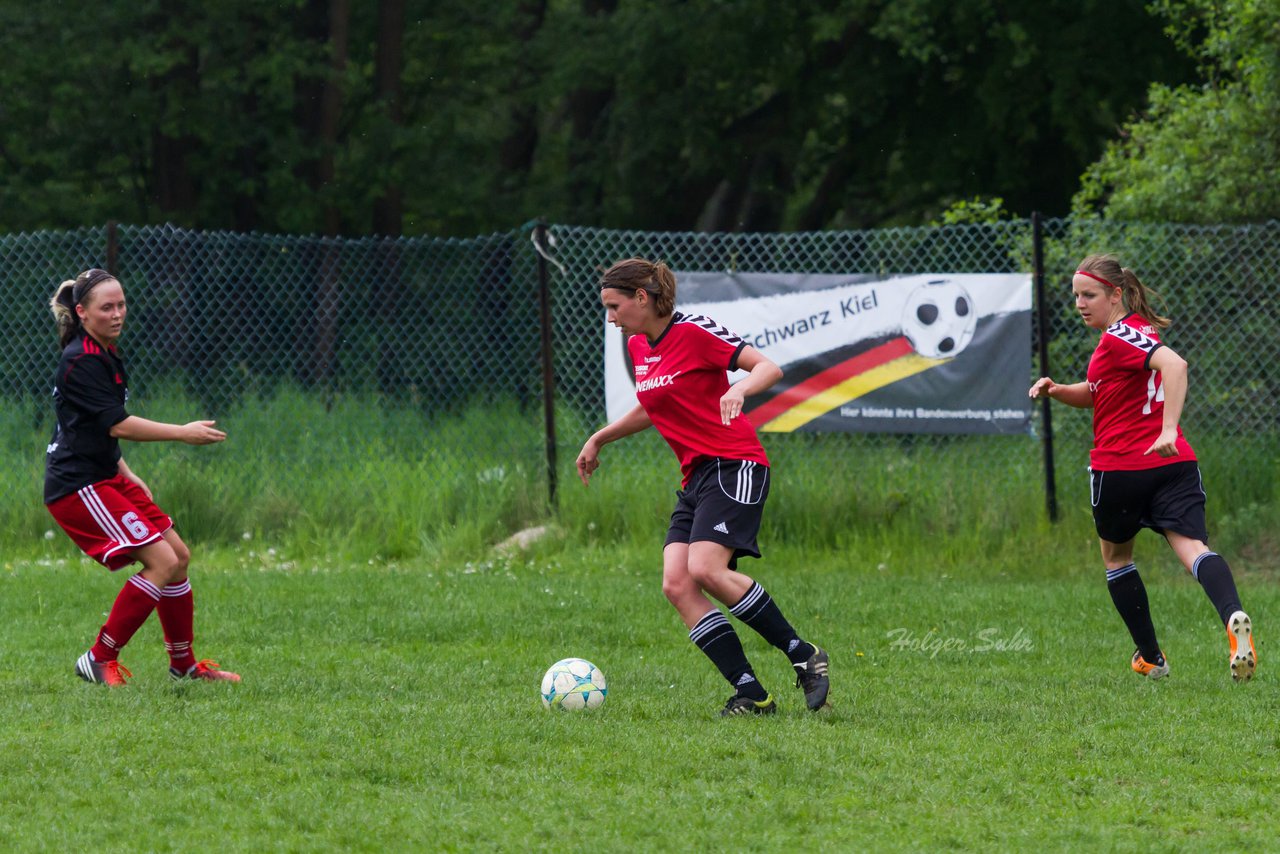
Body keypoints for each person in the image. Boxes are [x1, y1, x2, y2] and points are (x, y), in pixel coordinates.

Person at [576, 258, 829, 716]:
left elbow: (768, 367)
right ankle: (752, 692)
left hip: (735, 464)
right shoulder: (638, 346)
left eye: (614, 306)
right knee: (677, 583)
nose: (610, 317)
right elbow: (653, 406)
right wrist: (599, 438)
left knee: (707, 569)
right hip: (696, 478)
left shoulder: (694, 331)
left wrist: (740, 390)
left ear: (642, 297)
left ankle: (803, 654)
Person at [1029, 254, 1255, 682]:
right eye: (1076, 295)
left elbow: (1176, 366)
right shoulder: (1136, 333)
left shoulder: (1118, 337)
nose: (1080, 303)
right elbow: (1100, 392)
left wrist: (1168, 426)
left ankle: (1151, 658)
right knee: (1192, 549)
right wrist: (1058, 390)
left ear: (1115, 294)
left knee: (1116, 559)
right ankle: (1234, 616)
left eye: (1089, 294)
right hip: (1174, 465)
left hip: (1123, 466)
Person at [45, 268, 241, 687]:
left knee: (179, 557)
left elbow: (88, 427)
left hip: (104, 477)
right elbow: (117, 425)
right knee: (162, 561)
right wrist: (182, 433)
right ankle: (99, 658)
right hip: (78, 487)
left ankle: (184, 667)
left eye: (121, 305)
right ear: (81, 313)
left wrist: (127, 473)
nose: (117, 314)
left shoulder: (105, 354)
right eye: (106, 307)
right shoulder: (80, 360)